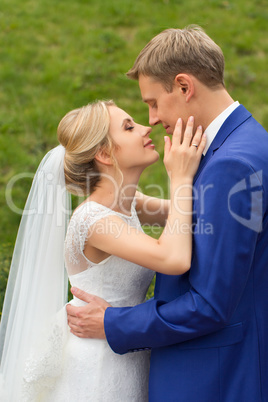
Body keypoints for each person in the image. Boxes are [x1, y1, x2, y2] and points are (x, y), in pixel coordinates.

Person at [66, 26, 268, 401]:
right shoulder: (246, 143)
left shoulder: (230, 165)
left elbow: (208, 303)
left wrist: (113, 322)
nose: (152, 119)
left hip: (213, 377)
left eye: (153, 102)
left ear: (184, 86)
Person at [0, 99, 205, 401]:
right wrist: (181, 178)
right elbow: (172, 258)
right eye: (129, 126)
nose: (146, 127)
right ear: (105, 154)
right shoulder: (94, 220)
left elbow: (190, 212)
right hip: (98, 362)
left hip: (124, 344)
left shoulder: (127, 203)